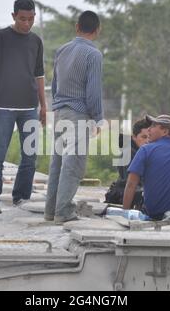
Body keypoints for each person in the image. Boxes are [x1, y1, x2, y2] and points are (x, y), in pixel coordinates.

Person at [0, 0, 46, 216]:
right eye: (22, 19)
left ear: (34, 17)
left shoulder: (36, 41)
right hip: (2, 107)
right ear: (13, 16)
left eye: (30, 19)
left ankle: (21, 197)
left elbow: (39, 75)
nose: (26, 23)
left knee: (30, 157)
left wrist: (43, 107)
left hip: (29, 107)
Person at [44, 11, 104, 224]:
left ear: (77, 26)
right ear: (97, 30)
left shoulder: (62, 50)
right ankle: (64, 212)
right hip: (78, 114)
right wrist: (98, 118)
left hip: (60, 112)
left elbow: (54, 84)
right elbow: (93, 91)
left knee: (57, 163)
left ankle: (50, 211)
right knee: (74, 163)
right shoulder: (93, 55)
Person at [123, 115, 170, 220]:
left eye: (154, 126)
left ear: (165, 132)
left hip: (152, 215)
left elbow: (131, 184)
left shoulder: (145, 150)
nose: (149, 129)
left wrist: (125, 214)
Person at [105, 118, 150, 208]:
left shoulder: (142, 152)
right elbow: (130, 183)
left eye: (150, 137)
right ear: (134, 137)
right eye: (144, 137)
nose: (147, 141)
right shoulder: (128, 153)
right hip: (125, 200)